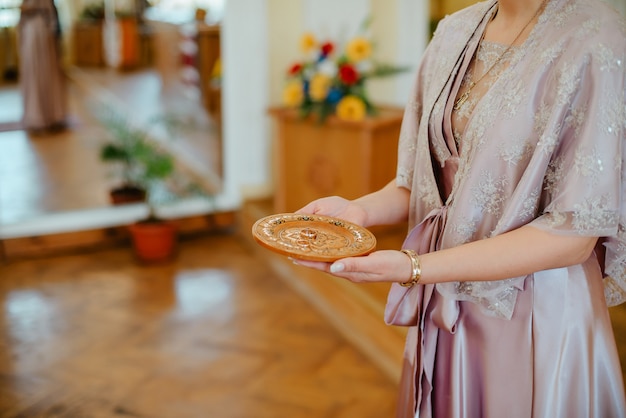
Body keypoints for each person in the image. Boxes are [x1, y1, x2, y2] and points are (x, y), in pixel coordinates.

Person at [294, 0, 626, 416]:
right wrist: (359, 212)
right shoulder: (454, 31)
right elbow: (421, 184)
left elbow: (574, 236)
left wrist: (414, 268)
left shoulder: (596, 39)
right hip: (447, 302)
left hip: (535, 314)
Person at [18, 0, 67, 133]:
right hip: (35, 33)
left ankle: (51, 115)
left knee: (46, 75)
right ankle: (39, 116)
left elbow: (49, 13)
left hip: (41, 33)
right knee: (37, 75)